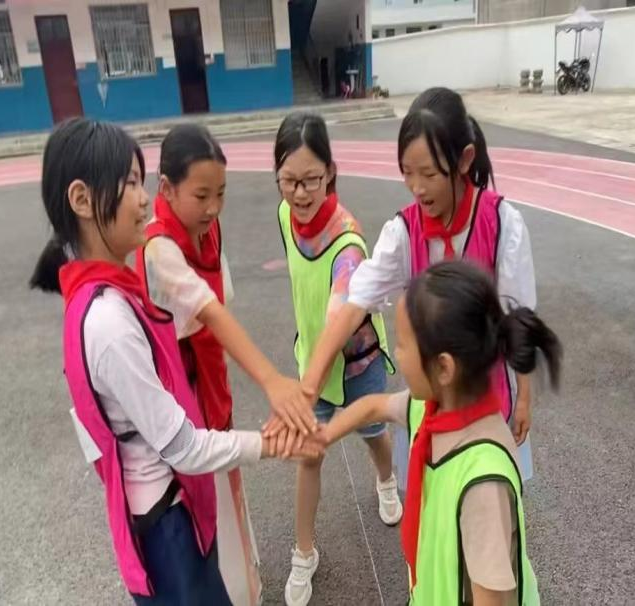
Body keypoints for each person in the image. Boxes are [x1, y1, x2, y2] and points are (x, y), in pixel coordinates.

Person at [29, 118, 320, 605]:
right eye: (129, 184)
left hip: (166, 505)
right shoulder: (109, 322)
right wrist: (273, 444)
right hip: (167, 521)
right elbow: (183, 448)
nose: (143, 200)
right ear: (81, 200)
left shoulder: (101, 300)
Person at [297, 87, 539, 484]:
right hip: (431, 400)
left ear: (464, 160)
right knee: (434, 498)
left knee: (487, 491)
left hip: (490, 400)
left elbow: (519, 317)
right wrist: (308, 389)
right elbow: (353, 303)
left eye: (429, 174)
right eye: (407, 172)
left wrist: (525, 396)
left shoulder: (502, 225)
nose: (417, 187)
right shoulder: (403, 233)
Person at [135, 123, 314, 606]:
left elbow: (219, 307)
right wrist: (272, 380)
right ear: (166, 188)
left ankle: (244, 582)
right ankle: (231, 588)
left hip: (211, 380)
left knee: (227, 487)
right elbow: (210, 311)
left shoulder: (206, 228)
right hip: (183, 393)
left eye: (221, 193)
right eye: (201, 195)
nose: (214, 207)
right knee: (203, 492)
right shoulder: (159, 247)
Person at [319, 261, 562, 605]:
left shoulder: (482, 481)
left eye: (402, 344)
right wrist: (322, 437)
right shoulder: (431, 408)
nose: (397, 355)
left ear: (444, 367)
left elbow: (492, 598)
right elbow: (373, 407)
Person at [271, 112, 402, 606]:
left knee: (373, 432)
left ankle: (386, 480)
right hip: (312, 361)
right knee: (310, 456)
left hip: (356, 365)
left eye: (311, 179)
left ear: (330, 172)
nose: (300, 193)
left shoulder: (348, 244)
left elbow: (338, 321)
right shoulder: (285, 217)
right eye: (289, 181)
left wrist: (302, 394)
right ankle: (304, 552)